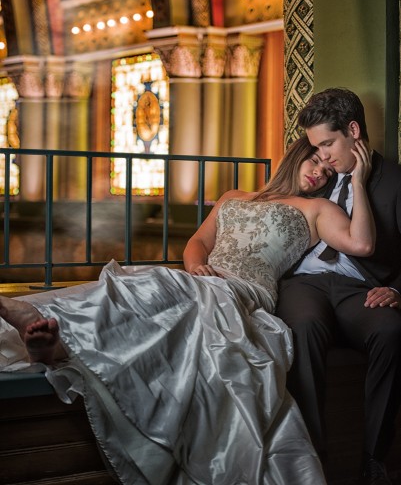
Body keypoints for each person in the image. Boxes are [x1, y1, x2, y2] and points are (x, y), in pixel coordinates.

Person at [0, 137, 373, 485]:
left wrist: (358, 179)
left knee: (161, 290)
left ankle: (56, 337)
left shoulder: (318, 209)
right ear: (295, 156)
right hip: (202, 277)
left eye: (327, 172)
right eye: (314, 160)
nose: (318, 173)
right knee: (140, 288)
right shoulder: (234, 196)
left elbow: (361, 243)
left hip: (243, 290)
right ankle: (55, 343)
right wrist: (196, 266)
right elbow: (198, 241)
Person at [276, 88, 401, 485]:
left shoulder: (396, 181)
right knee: (304, 327)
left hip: (359, 287)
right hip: (306, 281)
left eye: (328, 144)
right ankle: (313, 455)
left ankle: (373, 459)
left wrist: (400, 291)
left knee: (391, 331)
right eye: (317, 147)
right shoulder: (316, 175)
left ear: (353, 130)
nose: (323, 157)